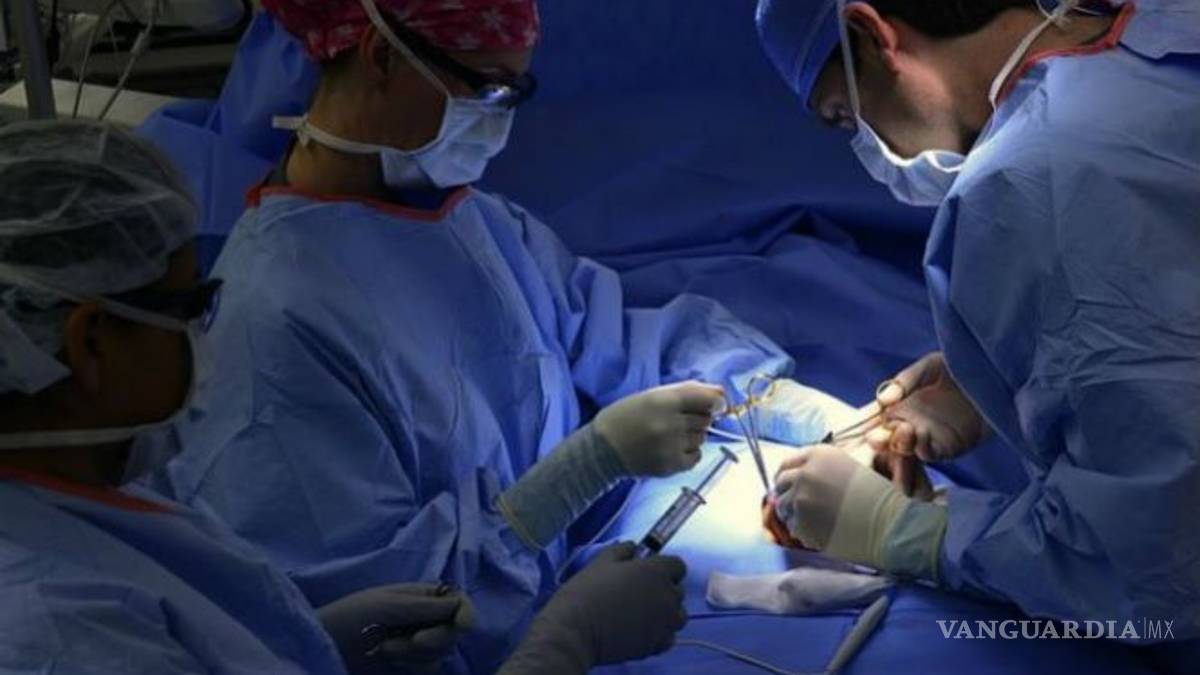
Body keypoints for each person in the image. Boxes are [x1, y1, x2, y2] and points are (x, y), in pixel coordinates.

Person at [140, 0, 858, 670]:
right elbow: (380, 618)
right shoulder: (275, 326)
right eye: (486, 88)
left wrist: (778, 398)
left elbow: (602, 328)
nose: (499, 119)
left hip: (571, 575)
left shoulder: (469, 222)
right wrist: (578, 476)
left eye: (515, 91)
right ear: (381, 56)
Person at [0, 119, 691, 675]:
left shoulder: (84, 500)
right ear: (91, 344)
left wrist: (320, 646)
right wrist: (568, 642)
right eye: (191, 307)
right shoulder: (55, 628)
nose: (208, 333)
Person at [756, 0, 1200, 651]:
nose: (869, 149)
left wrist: (907, 532)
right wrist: (1002, 385)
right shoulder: (1165, 29)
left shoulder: (1029, 185)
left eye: (846, 115)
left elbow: (1154, 568)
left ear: (872, 31)